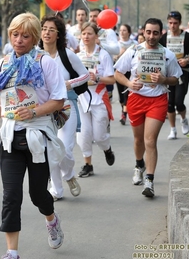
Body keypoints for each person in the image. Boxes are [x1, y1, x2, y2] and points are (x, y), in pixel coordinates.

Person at [0, 12, 66, 259]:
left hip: (38, 136)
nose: (19, 40)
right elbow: (3, 99)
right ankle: (12, 252)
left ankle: (51, 219)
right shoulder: (5, 62)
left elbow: (59, 100)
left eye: (25, 36)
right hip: (10, 139)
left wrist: (34, 111)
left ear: (35, 37)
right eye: (15, 35)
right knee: (10, 196)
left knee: (38, 194)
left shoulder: (45, 62)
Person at [114, 18, 182, 198]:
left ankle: (149, 181)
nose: (151, 36)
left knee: (150, 140)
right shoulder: (134, 50)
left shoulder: (168, 54)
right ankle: (139, 165)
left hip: (157, 100)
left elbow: (176, 78)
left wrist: (163, 80)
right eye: (149, 32)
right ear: (143, 32)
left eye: (156, 33)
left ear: (161, 33)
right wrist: (129, 82)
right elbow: (117, 73)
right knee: (138, 140)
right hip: (136, 99)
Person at [39, 15, 89, 201]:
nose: (47, 33)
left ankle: (68, 174)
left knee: (64, 149)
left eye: (52, 29)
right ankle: (57, 190)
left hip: (67, 107)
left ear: (58, 34)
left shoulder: (67, 55)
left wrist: (69, 83)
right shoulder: (36, 55)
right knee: (50, 150)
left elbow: (85, 76)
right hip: (45, 108)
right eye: (44, 28)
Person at [75, 22, 116, 178]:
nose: (86, 36)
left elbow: (112, 80)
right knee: (83, 135)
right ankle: (88, 164)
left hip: (99, 98)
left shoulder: (103, 55)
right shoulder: (77, 56)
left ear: (96, 37)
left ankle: (107, 149)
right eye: (84, 33)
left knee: (99, 136)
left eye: (89, 33)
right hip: (82, 99)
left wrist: (97, 78)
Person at [159, 11, 189, 140]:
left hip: (183, 73)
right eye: (170, 23)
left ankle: (184, 119)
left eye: (175, 23)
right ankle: (173, 129)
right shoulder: (164, 38)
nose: (172, 26)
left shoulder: (186, 37)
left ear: (180, 23)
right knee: (169, 104)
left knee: (178, 102)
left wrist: (188, 60)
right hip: (168, 75)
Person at [87, 8, 120, 103]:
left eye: (95, 16)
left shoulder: (108, 32)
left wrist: (101, 44)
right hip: (90, 74)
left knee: (105, 106)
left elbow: (117, 50)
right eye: (91, 16)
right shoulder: (86, 32)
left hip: (105, 76)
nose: (92, 19)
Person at [115, 24, 137, 126]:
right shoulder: (116, 44)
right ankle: (123, 110)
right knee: (121, 95)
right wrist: (120, 54)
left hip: (130, 72)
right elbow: (114, 58)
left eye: (124, 30)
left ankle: (124, 113)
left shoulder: (134, 43)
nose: (122, 32)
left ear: (128, 32)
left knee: (126, 93)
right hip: (119, 72)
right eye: (120, 30)